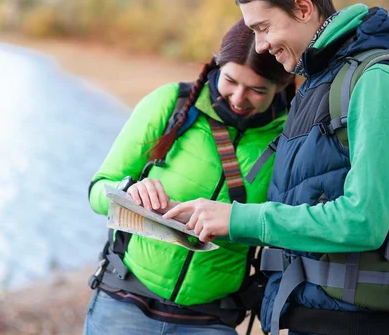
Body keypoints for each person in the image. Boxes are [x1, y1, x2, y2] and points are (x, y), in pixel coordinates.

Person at [165, 0, 389, 335]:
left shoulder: (377, 81)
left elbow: (364, 220)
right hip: (313, 314)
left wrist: (238, 219)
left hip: (359, 323)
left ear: (304, 9)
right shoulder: (319, 83)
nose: (258, 46)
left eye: (263, 28)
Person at [84, 18, 294, 335]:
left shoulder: (291, 138)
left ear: (281, 86)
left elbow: (288, 225)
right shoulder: (170, 104)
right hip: (124, 301)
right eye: (231, 81)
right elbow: (97, 192)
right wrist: (129, 191)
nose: (238, 98)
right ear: (216, 65)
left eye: (256, 90)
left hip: (211, 319)